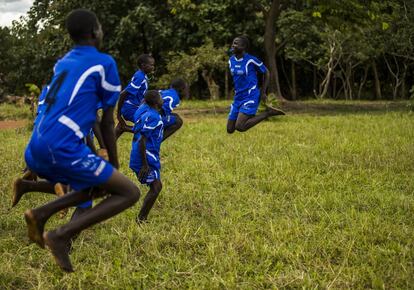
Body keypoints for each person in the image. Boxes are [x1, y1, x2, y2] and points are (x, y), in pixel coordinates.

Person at [22, 9, 140, 272]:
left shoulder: (62, 62)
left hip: (35, 147)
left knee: (95, 187)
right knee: (129, 192)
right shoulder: (104, 63)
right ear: (95, 32)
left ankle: (40, 214)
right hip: (60, 147)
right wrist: (114, 164)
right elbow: (108, 122)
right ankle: (60, 235)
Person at [227, 35, 285, 134]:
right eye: (233, 43)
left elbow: (266, 72)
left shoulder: (251, 60)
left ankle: (267, 113)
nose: (233, 45)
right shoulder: (230, 61)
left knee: (240, 127)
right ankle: (248, 115)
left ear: (244, 46)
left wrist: (263, 92)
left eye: (236, 43)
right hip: (238, 98)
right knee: (230, 129)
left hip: (251, 96)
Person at [129, 90, 164, 222]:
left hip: (151, 155)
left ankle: (142, 218)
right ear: (156, 102)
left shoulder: (150, 114)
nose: (162, 98)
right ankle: (141, 218)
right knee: (156, 187)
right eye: (160, 97)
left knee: (156, 187)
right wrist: (144, 164)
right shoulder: (153, 116)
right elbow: (142, 140)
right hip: (146, 157)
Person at [115, 54, 155, 139]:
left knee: (152, 123)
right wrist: (118, 114)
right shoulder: (140, 76)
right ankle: (124, 128)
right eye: (151, 65)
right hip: (130, 108)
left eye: (153, 65)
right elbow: (123, 94)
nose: (153, 67)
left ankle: (106, 147)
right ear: (143, 65)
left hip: (135, 107)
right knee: (148, 127)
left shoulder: (142, 75)